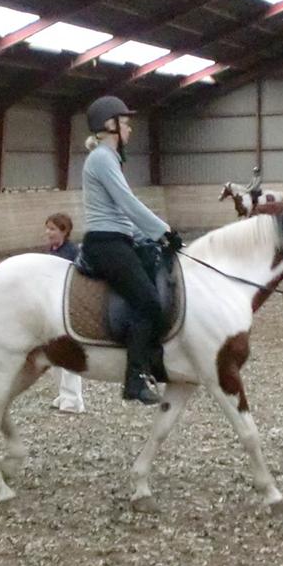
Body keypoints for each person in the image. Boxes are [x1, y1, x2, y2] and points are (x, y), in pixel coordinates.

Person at [80, 95, 182, 405]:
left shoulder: (110, 159)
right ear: (110, 126)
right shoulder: (101, 157)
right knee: (148, 301)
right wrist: (163, 230)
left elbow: (123, 215)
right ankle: (134, 380)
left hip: (118, 237)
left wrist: (152, 238)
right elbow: (128, 204)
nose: (130, 129)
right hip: (105, 243)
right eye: (126, 123)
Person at [45, 213, 84, 414]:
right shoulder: (51, 251)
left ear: (64, 231)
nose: (48, 233)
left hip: (67, 306)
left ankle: (73, 399)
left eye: (52, 229)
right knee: (55, 354)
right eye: (48, 228)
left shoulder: (72, 252)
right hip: (53, 306)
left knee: (68, 351)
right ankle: (63, 393)